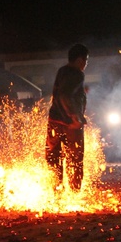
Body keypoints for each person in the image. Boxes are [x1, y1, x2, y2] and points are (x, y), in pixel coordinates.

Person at [46, 43, 89, 192]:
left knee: (53, 157)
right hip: (70, 124)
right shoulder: (77, 73)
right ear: (79, 60)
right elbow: (65, 95)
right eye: (86, 60)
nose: (85, 64)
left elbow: (62, 93)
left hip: (54, 122)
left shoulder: (62, 71)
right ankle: (74, 193)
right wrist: (75, 116)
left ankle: (56, 191)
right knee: (75, 159)